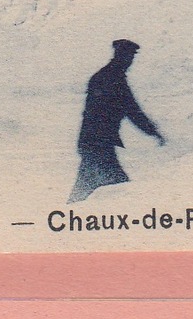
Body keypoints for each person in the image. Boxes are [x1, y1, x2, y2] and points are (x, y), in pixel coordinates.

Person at [68, 39, 164, 202]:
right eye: (129, 57)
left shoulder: (104, 76)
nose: (131, 61)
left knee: (85, 188)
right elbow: (132, 110)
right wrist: (153, 132)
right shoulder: (114, 80)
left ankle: (67, 214)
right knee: (118, 185)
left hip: (93, 142)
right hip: (99, 143)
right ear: (122, 56)